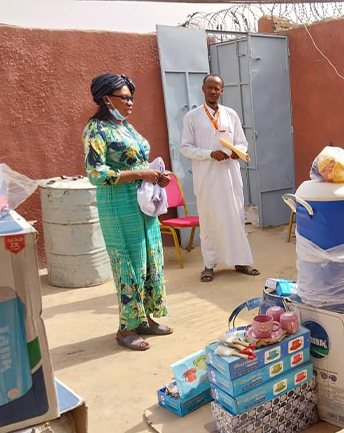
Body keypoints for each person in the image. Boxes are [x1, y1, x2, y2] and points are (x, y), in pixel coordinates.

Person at [83, 73, 172, 351]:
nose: (131, 102)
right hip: (118, 205)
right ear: (106, 99)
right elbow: (96, 173)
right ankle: (126, 329)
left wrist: (155, 175)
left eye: (131, 96)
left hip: (142, 204)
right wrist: (141, 173)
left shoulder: (125, 127)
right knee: (129, 265)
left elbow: (140, 160)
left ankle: (144, 319)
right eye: (125, 97)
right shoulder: (96, 129)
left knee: (149, 259)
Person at [180, 74, 259, 282]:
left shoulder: (231, 114)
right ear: (203, 89)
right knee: (209, 221)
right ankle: (209, 265)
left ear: (222, 91)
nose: (214, 91)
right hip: (207, 179)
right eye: (210, 88)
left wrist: (237, 152)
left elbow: (242, 142)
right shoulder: (192, 117)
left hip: (230, 176)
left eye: (217, 88)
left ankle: (241, 261)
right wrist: (209, 154)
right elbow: (185, 148)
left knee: (235, 218)